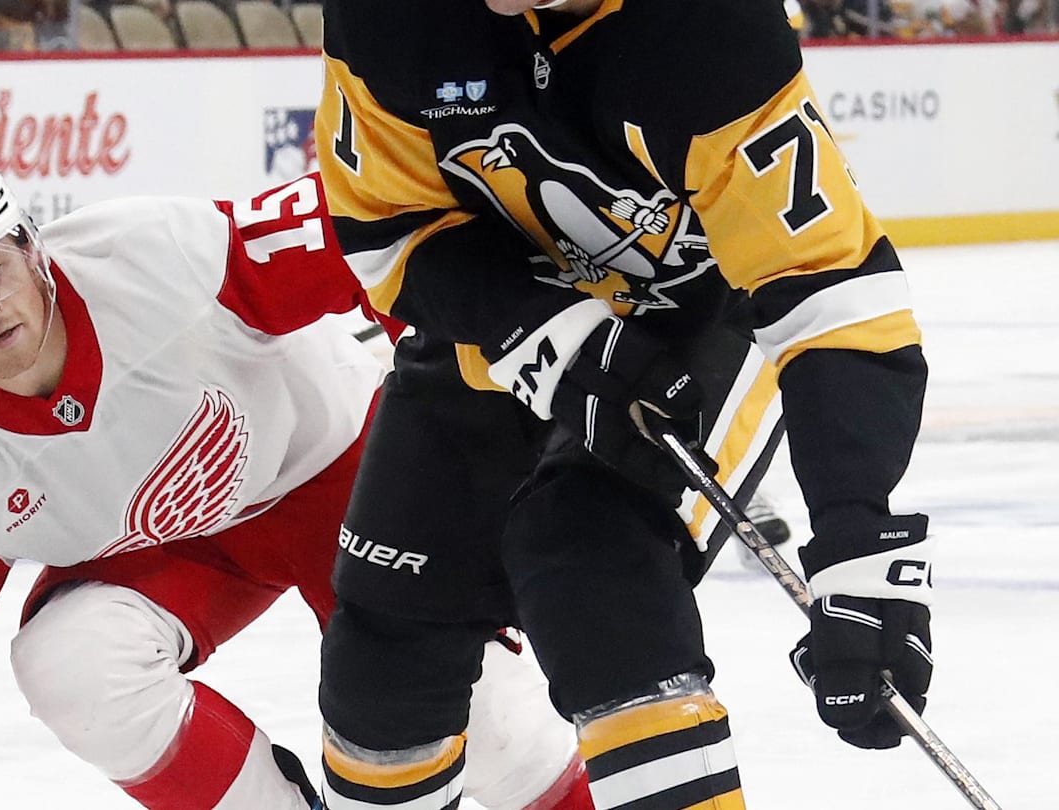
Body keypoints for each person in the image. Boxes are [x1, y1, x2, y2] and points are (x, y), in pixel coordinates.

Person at [0, 137, 593, 809]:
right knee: (72, 668)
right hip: (173, 554)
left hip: (347, 483)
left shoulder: (156, 255)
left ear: (31, 250)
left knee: (488, 721)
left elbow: (378, 243)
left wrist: (490, 409)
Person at [313, 0, 932, 808]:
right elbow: (390, 225)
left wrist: (858, 544)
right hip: (494, 327)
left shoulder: (709, 29)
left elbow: (828, 288)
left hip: (698, 331)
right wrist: (547, 334)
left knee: (591, 563)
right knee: (382, 659)